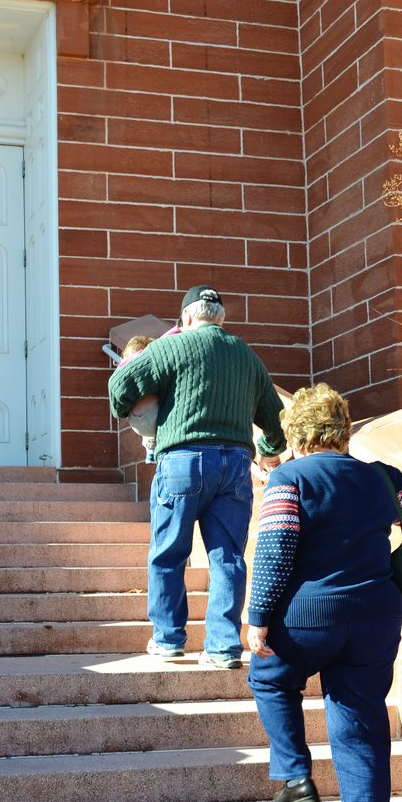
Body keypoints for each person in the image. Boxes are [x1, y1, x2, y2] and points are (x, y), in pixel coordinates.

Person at [246, 383, 402, 802]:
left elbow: (275, 550)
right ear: (343, 430)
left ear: (296, 434)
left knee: (269, 677)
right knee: (362, 731)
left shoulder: (287, 479)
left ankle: (294, 774)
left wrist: (258, 615)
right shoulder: (382, 477)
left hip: (307, 618)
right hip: (376, 620)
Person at [109, 283, 287, 668]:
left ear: (186, 317)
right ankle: (223, 648)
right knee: (228, 558)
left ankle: (169, 639)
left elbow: (119, 385)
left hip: (182, 462)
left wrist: (140, 417)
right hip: (237, 465)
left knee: (169, 554)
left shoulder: (170, 346)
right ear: (222, 319)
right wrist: (269, 451)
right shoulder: (246, 355)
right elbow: (275, 418)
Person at [116, 334, 167, 463]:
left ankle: (150, 450)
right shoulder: (149, 369)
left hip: (135, 421)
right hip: (155, 418)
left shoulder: (124, 372)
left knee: (143, 404)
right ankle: (156, 448)